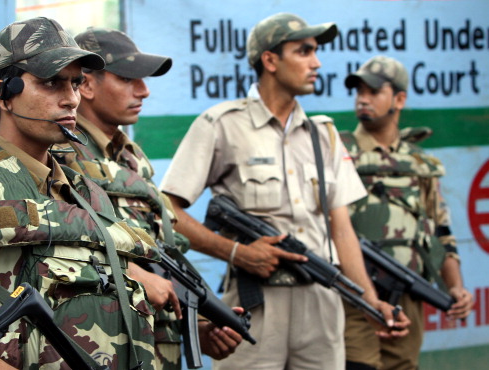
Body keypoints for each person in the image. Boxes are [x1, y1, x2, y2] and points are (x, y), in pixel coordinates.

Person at [0, 17, 161, 370]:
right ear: (2, 94)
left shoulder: (85, 192)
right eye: (51, 83)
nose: (70, 100)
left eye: (76, 83)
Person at [160, 13, 410, 369]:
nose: (317, 62)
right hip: (257, 304)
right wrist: (237, 252)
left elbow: (341, 230)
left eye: (316, 52)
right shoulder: (222, 125)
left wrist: (369, 302)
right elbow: (167, 211)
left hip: (322, 305)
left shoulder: (324, 134)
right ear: (271, 60)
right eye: (304, 51)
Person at [59, 27, 242, 369]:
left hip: (150, 347)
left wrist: (197, 327)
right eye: (128, 78)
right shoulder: (57, 154)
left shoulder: (130, 158)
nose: (143, 90)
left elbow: (156, 258)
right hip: (93, 345)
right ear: (85, 84)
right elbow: (58, 253)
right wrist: (135, 275)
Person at [340, 55, 474, 370]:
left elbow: (441, 231)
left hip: (407, 293)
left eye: (374, 92)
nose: (363, 99)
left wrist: (454, 286)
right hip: (353, 297)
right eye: (359, 91)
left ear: (399, 99)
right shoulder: (339, 153)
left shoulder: (419, 164)